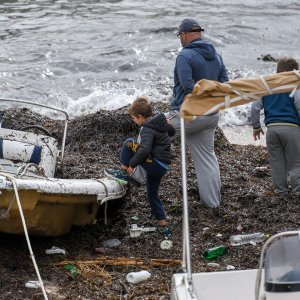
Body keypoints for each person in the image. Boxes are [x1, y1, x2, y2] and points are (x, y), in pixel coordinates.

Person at [169, 18, 229, 208]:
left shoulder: (185, 56)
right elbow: (224, 84)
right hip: (211, 115)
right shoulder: (217, 55)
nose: (180, 39)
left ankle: (132, 176)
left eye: (180, 36)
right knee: (206, 158)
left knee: (151, 129)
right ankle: (212, 204)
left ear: (185, 35)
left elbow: (187, 86)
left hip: (189, 114)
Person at [105, 96, 175, 236]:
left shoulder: (147, 128)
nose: (133, 121)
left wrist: (131, 164)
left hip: (155, 163)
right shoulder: (159, 123)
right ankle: (163, 227)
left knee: (129, 143)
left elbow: (144, 150)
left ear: (140, 117)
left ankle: (123, 173)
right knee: (152, 195)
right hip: (161, 166)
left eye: (134, 118)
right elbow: (172, 132)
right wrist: (169, 125)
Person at [251, 57, 300, 197]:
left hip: (272, 130)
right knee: (296, 161)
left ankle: (281, 192)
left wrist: (256, 127)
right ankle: (297, 191)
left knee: (276, 162)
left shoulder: (267, 86)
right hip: (292, 128)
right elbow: (299, 104)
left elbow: (254, 107)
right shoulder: (294, 85)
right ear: (291, 73)